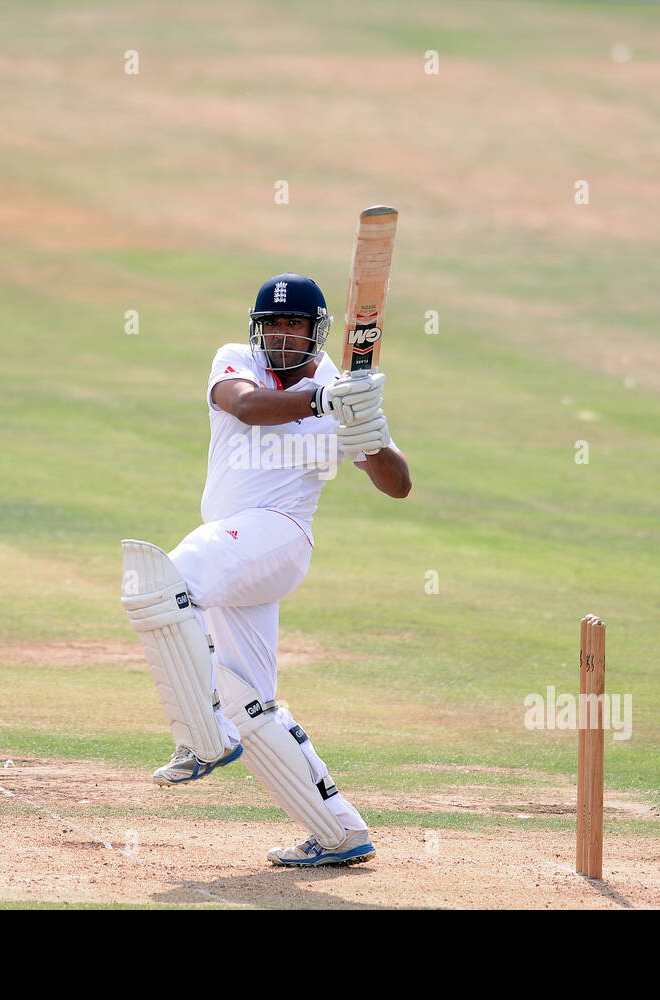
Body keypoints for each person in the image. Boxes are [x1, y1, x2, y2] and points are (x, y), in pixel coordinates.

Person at [121, 272, 411, 866]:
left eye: (295, 324)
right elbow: (248, 408)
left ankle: (201, 741)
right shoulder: (236, 362)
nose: (282, 335)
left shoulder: (340, 386)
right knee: (248, 699)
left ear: (315, 330)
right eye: (272, 324)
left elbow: (398, 486)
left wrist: (373, 436)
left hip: (278, 536)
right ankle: (337, 831)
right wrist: (323, 402)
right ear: (258, 329)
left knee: (163, 581)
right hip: (238, 556)